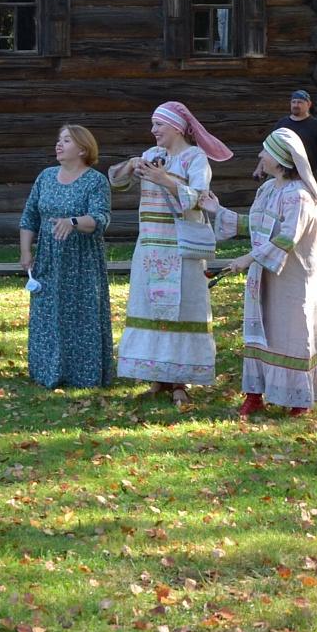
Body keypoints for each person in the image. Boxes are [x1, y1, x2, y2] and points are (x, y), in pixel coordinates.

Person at [108, 101, 232, 407]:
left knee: (182, 311)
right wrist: (132, 164)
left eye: (158, 125)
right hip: (150, 246)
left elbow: (201, 198)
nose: (153, 131)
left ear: (176, 126)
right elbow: (117, 181)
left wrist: (167, 181)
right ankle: (158, 377)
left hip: (182, 248)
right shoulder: (152, 156)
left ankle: (180, 382)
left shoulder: (195, 158)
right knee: (151, 309)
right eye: (152, 125)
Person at [205, 128, 317, 418]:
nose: (260, 155)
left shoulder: (299, 197)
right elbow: (255, 226)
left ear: (281, 159)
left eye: (265, 151)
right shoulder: (268, 189)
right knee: (261, 333)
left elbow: (287, 238)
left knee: (292, 333)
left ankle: (299, 399)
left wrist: (247, 258)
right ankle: (255, 395)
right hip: (264, 276)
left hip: (292, 279)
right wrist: (218, 209)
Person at [19, 125, 114, 388]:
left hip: (82, 259)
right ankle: (47, 371)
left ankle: (83, 374)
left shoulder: (95, 181)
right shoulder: (46, 177)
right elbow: (30, 217)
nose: (59, 145)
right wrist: (26, 251)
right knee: (48, 315)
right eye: (58, 139)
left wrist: (72, 221)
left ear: (83, 148)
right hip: (48, 258)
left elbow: (101, 218)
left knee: (81, 316)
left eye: (67, 141)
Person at [272, 89, 317, 193]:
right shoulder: (282, 123)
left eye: (300, 102)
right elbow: (270, 147)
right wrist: (259, 168)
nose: (296, 105)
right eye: (293, 102)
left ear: (309, 104)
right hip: (281, 173)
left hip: (306, 175)